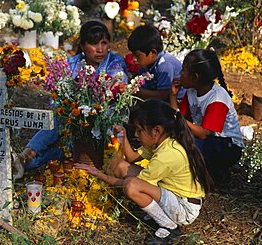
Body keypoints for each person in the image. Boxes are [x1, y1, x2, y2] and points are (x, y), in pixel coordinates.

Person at [75, 99, 214, 243]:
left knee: (131, 186)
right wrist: (123, 137)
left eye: (139, 130)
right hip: (173, 194)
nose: (136, 134)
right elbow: (133, 158)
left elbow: (131, 184)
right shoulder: (162, 141)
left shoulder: (168, 155)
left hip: (184, 208)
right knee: (121, 167)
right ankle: (157, 214)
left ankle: (169, 226)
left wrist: (99, 175)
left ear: (156, 130)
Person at [13, 21, 128, 178]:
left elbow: (116, 91)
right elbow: (58, 101)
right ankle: (26, 156)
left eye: (104, 43)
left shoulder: (114, 63)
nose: (100, 49)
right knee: (60, 118)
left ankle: (27, 157)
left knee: (65, 145)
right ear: (82, 45)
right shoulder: (71, 64)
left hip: (102, 124)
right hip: (73, 123)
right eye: (94, 44)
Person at [169, 49, 244, 185]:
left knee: (184, 144)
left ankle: (214, 173)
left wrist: (177, 118)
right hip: (208, 141)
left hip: (227, 146)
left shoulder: (217, 98)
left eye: (183, 70)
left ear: (195, 77)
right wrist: (173, 96)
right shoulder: (192, 91)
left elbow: (204, 133)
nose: (180, 74)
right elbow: (180, 114)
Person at [125, 24, 183, 101]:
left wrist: (133, 90)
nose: (134, 59)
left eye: (137, 55)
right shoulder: (145, 64)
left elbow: (163, 96)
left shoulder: (165, 65)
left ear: (152, 53)